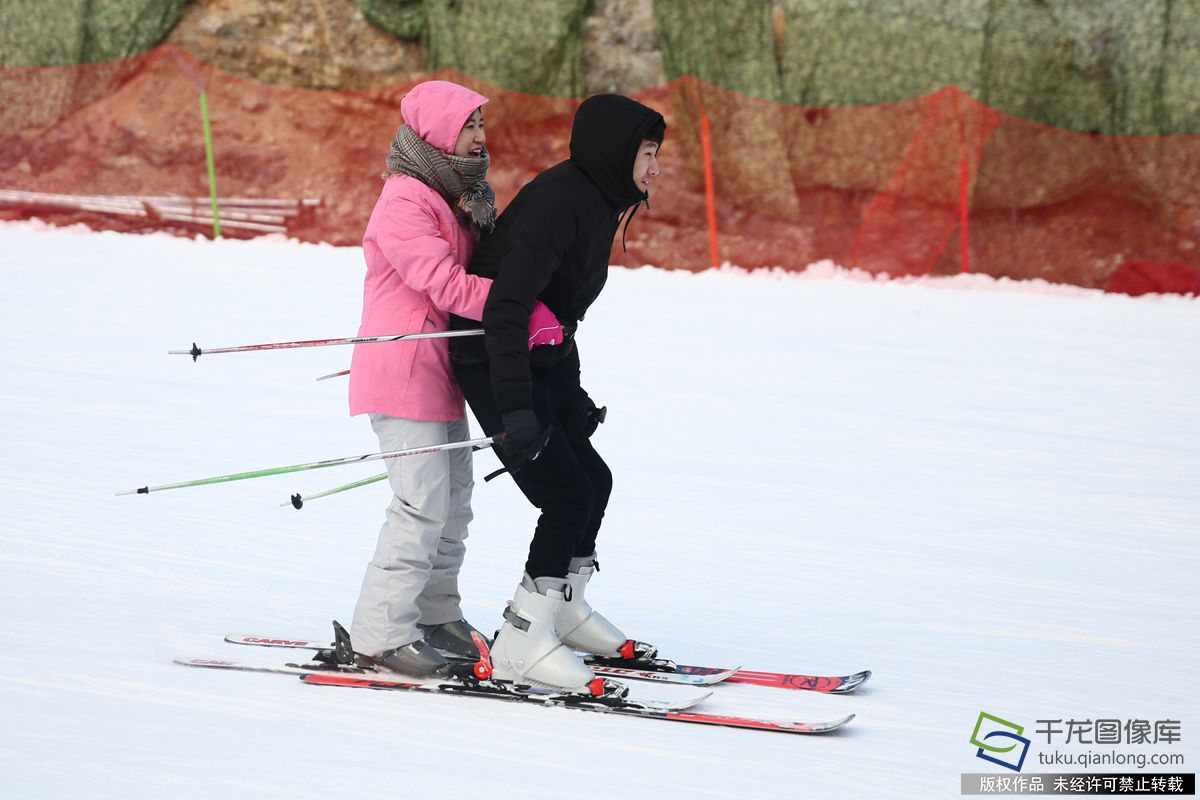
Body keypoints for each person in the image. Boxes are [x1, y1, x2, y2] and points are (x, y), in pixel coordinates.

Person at [450, 94, 665, 693]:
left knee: (595, 481)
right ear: (617, 151)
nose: (655, 167)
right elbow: (507, 308)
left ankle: (562, 609)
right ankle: (520, 639)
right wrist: (516, 409)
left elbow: (558, 317)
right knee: (566, 496)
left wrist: (568, 395)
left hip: (541, 359)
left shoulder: (598, 201)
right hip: (491, 359)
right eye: (648, 152)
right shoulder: (561, 203)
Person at [348, 80, 562, 678]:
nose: (478, 137)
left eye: (481, 126)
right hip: (402, 367)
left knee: (455, 502)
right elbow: (443, 283)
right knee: (419, 504)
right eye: (467, 126)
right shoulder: (405, 200)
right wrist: (516, 305)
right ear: (436, 130)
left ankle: (435, 613)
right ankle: (379, 635)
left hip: (439, 369)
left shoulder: (457, 195)